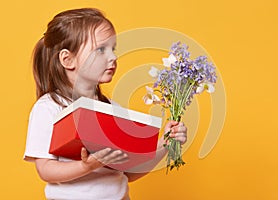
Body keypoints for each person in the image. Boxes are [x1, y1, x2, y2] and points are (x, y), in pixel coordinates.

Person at [24, 8, 187, 200]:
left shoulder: (112, 109)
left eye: (113, 49)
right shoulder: (50, 107)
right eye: (100, 50)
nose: (113, 57)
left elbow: (129, 173)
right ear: (68, 60)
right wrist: (87, 166)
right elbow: (45, 170)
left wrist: (165, 144)